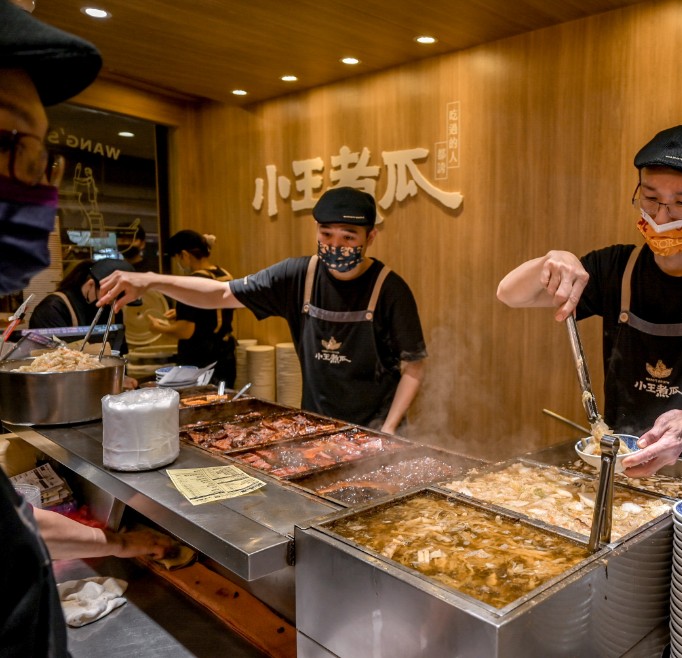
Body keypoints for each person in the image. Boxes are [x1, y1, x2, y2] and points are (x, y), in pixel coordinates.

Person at [1, 3, 174, 655]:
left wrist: (123, 542)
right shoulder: (52, 318)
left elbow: (13, 527)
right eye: (7, 143)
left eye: (40, 157)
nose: (37, 183)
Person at [497, 125, 682, 475]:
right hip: (622, 470)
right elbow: (510, 294)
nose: (660, 218)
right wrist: (548, 260)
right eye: (650, 198)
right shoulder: (615, 269)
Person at [99, 187, 428, 435]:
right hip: (317, 425)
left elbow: (413, 367)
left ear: (370, 237)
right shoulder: (298, 276)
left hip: (377, 429)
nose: (335, 244)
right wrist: (151, 280)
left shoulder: (390, 289)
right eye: (326, 234)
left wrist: (387, 431)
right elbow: (220, 294)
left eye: (348, 236)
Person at [148, 229, 237, 385]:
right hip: (225, 358)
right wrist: (181, 312)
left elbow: (186, 331)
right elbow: (216, 310)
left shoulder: (191, 283)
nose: (178, 263)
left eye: (177, 258)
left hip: (199, 363)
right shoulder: (224, 274)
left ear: (184, 255)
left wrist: (159, 329)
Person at [28, 257, 134, 357]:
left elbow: (119, 353)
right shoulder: (52, 309)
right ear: (90, 285)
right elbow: (52, 359)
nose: (111, 303)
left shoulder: (111, 308)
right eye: (111, 297)